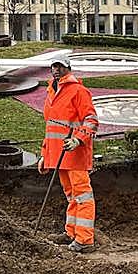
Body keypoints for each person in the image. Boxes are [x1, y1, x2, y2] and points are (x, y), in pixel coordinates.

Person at [38, 54, 99, 253]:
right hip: (58, 156)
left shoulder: (79, 91)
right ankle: (71, 233)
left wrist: (78, 140)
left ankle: (85, 240)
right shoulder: (51, 91)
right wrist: (44, 155)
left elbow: (91, 121)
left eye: (60, 66)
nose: (56, 70)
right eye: (53, 66)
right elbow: (50, 127)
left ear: (68, 68)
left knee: (82, 196)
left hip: (75, 154)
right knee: (72, 196)